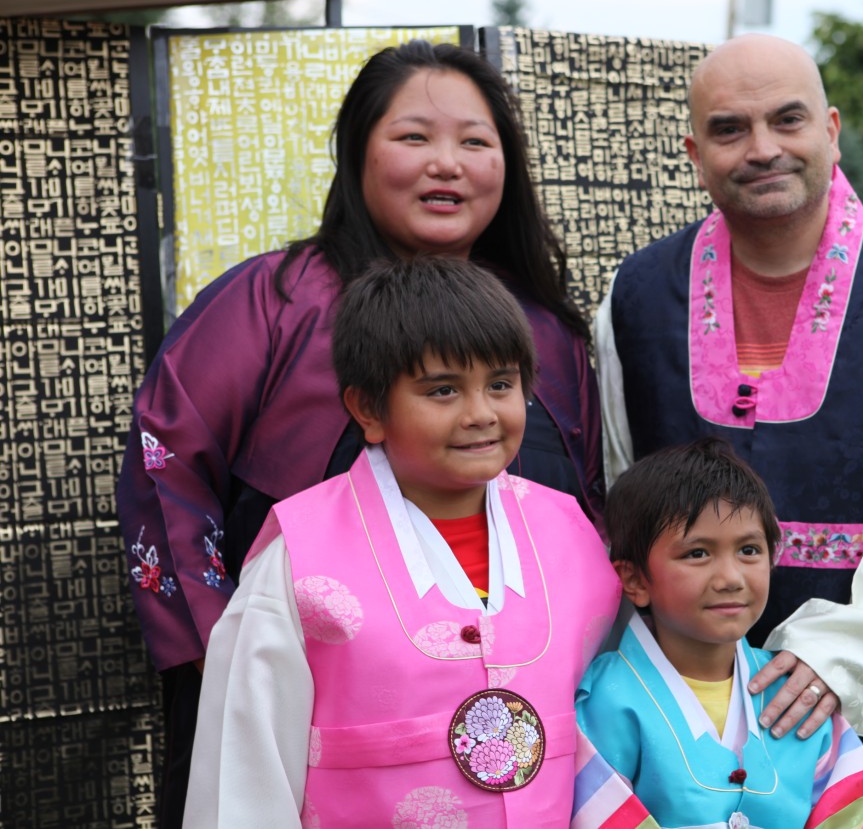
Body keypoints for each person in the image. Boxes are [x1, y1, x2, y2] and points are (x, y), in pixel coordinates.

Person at [116, 40, 605, 828]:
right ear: (357, 152)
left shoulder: (547, 330)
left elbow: (587, 510)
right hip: (299, 696)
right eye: (414, 136)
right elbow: (163, 465)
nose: (447, 163)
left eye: (475, 141)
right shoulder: (271, 301)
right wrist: (226, 647)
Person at [594, 34, 863, 825]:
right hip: (675, 736)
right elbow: (618, 493)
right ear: (695, 153)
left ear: (830, 129)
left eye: (787, 120)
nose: (762, 148)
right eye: (729, 129)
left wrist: (840, 658)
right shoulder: (638, 295)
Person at [182, 256, 621, 827]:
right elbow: (247, 772)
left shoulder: (571, 536)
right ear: (368, 408)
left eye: (501, 384)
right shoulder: (299, 556)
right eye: (443, 390)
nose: (480, 414)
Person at [575, 439, 863, 829]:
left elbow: (849, 808)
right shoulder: (607, 699)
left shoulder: (798, 693)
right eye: (697, 553)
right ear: (635, 579)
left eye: (749, 550)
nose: (731, 578)